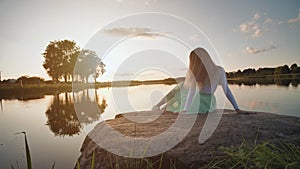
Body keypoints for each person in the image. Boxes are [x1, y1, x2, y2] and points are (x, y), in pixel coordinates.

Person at [153, 47, 251, 114]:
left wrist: (186, 109)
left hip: (197, 102)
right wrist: (237, 108)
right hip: (208, 103)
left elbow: (192, 93)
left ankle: (158, 105)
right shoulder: (219, 70)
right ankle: (159, 105)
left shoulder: (199, 73)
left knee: (179, 89)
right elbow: (227, 90)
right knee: (181, 87)